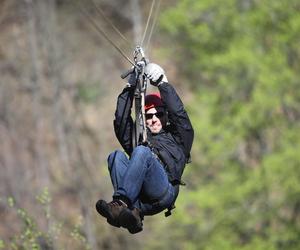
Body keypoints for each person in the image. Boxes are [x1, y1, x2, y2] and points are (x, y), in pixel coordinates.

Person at [96, 63, 194, 234]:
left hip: (163, 191)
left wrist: (162, 83)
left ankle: (121, 204)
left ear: (166, 116)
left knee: (141, 151)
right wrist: (129, 87)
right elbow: (121, 121)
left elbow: (179, 115)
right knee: (115, 156)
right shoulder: (139, 136)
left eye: (159, 114)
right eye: (149, 116)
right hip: (139, 198)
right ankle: (131, 215)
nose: (154, 119)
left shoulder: (179, 137)